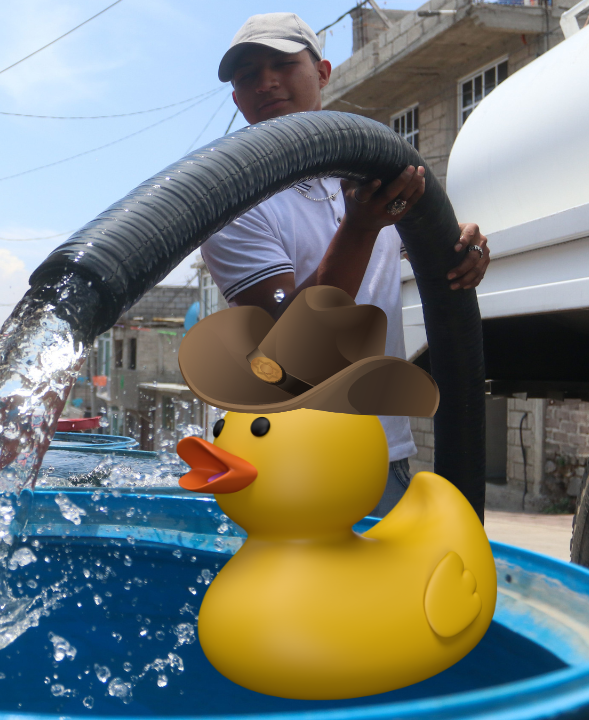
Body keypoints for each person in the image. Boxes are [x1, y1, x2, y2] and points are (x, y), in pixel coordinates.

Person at [199, 12, 492, 516]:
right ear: (236, 99)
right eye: (248, 75)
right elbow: (293, 346)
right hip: (291, 463)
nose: (266, 81)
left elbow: (421, 248)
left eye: (283, 64)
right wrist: (358, 228)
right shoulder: (233, 204)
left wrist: (462, 252)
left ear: (324, 72)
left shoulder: (371, 171)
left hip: (384, 452)